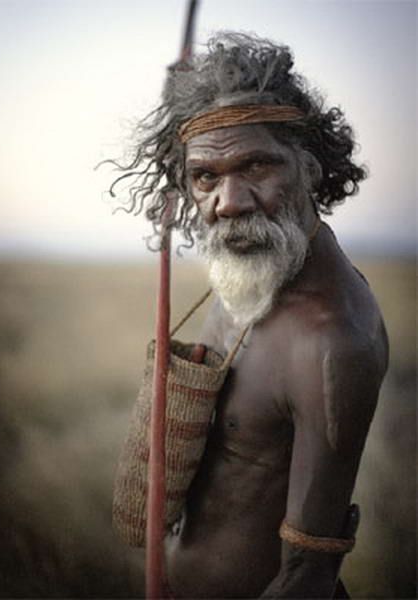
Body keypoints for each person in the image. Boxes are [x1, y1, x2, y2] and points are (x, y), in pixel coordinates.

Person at [111, 32, 389, 599]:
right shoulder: (255, 272)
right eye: (205, 177)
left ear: (309, 169)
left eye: (257, 165)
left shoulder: (330, 341)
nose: (229, 201)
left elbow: (305, 574)